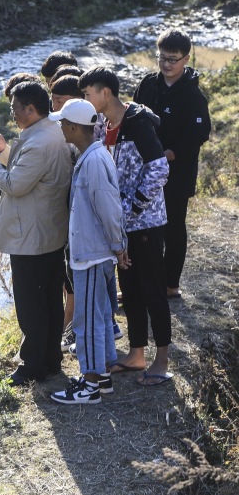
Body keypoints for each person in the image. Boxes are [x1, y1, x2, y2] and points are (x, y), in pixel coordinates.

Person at [0, 79, 72, 386]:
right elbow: (28, 173)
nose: (13, 113)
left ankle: (32, 365)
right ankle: (50, 359)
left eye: (15, 108)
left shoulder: (39, 141)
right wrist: (4, 152)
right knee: (50, 302)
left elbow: (15, 184)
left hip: (31, 235)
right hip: (50, 231)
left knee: (31, 305)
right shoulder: (50, 133)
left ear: (31, 109)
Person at [80, 67, 173, 386]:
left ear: (105, 93)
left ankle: (161, 359)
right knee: (130, 291)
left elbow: (159, 169)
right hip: (121, 226)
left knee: (153, 291)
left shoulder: (137, 123)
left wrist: (133, 206)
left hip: (145, 223)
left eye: (88, 93)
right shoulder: (101, 125)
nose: (86, 99)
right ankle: (136, 354)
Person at [48, 99, 128, 405]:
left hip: (93, 254)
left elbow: (109, 208)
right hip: (92, 252)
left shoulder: (93, 161)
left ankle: (90, 384)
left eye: (62, 123)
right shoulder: (92, 155)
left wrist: (119, 246)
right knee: (99, 315)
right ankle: (102, 377)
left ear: (73, 127)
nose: (59, 127)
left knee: (88, 320)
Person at [131, 28, 212, 299]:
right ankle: (142, 281)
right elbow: (132, 115)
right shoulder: (148, 84)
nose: (166, 64)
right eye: (162, 57)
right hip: (143, 170)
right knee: (141, 226)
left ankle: (170, 284)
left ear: (186, 59)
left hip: (176, 173)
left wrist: (165, 155)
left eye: (173, 59)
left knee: (173, 227)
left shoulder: (194, 97)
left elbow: (198, 136)